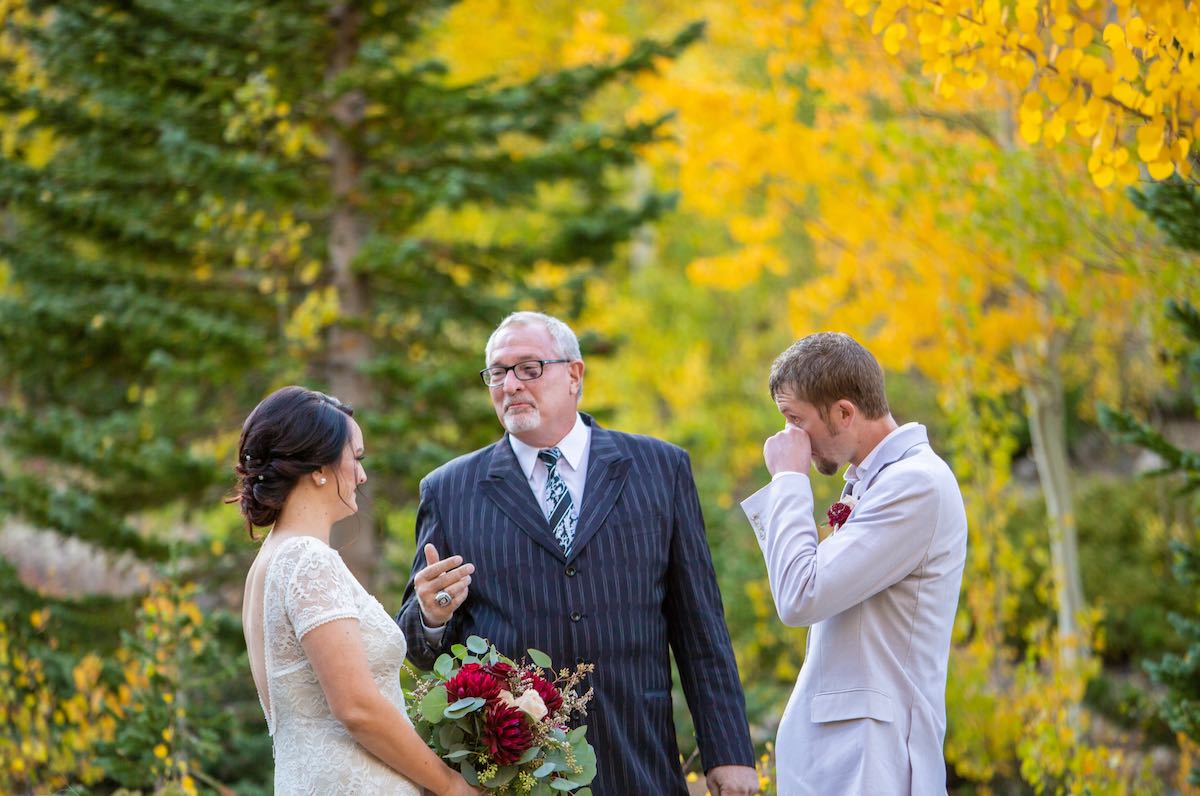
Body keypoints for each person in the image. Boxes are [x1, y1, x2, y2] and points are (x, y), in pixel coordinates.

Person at [396, 312, 758, 796]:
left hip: (637, 760)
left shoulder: (659, 469)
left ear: (574, 375)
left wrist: (729, 753)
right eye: (498, 372)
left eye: (529, 368)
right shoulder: (449, 490)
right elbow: (419, 652)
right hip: (515, 776)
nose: (510, 385)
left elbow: (700, 626)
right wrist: (430, 617)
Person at [740, 333, 968, 794]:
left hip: (872, 762)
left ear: (844, 412)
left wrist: (787, 479)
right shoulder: (878, 482)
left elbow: (799, 595)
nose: (788, 438)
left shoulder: (915, 485)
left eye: (795, 420)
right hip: (844, 758)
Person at [234, 386, 476, 795]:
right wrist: (451, 785)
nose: (362, 475)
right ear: (318, 467)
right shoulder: (308, 560)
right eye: (356, 457)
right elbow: (356, 708)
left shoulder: (271, 559)